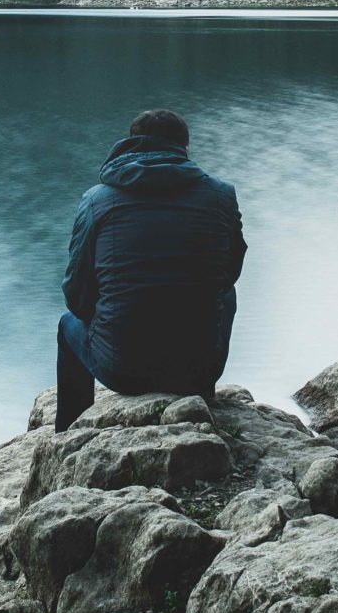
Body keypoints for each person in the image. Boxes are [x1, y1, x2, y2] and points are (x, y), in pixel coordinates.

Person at [55, 108, 246, 432]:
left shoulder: (96, 200)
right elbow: (229, 271)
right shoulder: (221, 196)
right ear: (184, 149)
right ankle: (200, 402)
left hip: (122, 370)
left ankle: (71, 433)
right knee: (224, 293)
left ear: (131, 146)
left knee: (68, 323)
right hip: (198, 368)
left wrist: (107, 315)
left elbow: (77, 294)